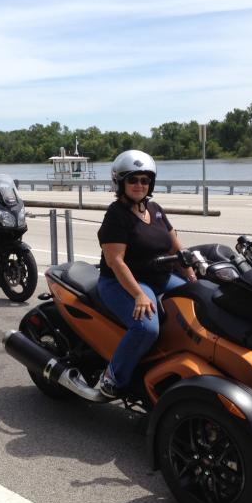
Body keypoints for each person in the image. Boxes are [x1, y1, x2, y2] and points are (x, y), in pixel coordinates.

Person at [96, 150, 197, 399]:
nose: (139, 185)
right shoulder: (116, 215)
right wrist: (139, 295)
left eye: (144, 180)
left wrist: (193, 277)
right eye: (133, 179)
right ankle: (113, 377)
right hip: (124, 282)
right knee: (146, 327)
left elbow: (177, 247)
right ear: (120, 183)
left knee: (201, 301)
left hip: (160, 277)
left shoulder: (155, 208)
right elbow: (115, 261)